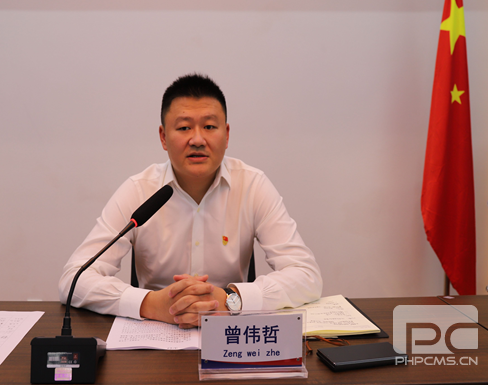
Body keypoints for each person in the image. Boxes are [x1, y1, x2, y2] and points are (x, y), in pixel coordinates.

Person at [59, 74, 322, 328]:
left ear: (226, 134)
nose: (197, 140)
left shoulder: (252, 186)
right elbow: (73, 278)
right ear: (163, 137)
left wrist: (231, 299)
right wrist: (151, 304)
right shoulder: (139, 191)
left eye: (209, 127)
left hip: (230, 335)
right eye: (184, 128)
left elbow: (306, 275)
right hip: (156, 336)